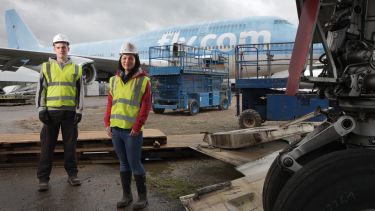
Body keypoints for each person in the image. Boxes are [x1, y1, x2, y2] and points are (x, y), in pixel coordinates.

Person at [104, 42, 151, 209]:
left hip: (132, 132)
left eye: (130, 58)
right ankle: (127, 196)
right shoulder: (114, 80)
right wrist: (107, 123)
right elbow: (110, 103)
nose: (127, 61)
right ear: (120, 59)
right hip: (116, 129)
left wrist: (137, 127)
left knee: (135, 164)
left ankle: (143, 198)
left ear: (135, 60)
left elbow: (146, 107)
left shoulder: (144, 81)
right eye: (124, 58)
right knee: (123, 164)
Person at [35, 33, 84, 191]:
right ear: (54, 49)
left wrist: (79, 110)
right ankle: (43, 179)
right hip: (51, 114)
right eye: (58, 47)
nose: (61, 49)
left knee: (70, 147)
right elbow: (41, 90)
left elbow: (80, 91)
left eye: (64, 47)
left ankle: (72, 175)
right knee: (47, 147)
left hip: (70, 114)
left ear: (68, 48)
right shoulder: (46, 67)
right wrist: (41, 109)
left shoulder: (77, 68)